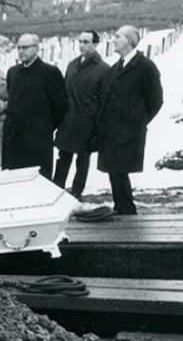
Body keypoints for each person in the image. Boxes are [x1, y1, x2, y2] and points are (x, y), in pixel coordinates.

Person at [96, 25, 163, 215]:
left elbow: (156, 100)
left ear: (130, 40)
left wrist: (138, 121)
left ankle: (127, 211)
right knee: (115, 172)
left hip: (128, 129)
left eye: (118, 37)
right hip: (112, 129)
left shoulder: (145, 66)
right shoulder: (117, 67)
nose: (113, 40)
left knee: (119, 171)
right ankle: (122, 208)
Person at [53, 31, 110, 200]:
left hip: (87, 124)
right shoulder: (72, 65)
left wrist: (97, 127)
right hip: (68, 120)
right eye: (80, 42)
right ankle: (56, 191)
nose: (82, 45)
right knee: (63, 158)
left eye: (86, 42)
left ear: (95, 44)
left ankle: (77, 194)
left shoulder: (103, 69)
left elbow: (104, 101)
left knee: (82, 160)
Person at [2, 34, 67, 179]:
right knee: (13, 180)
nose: (21, 51)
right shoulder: (12, 72)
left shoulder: (50, 72)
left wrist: (44, 126)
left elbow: (60, 107)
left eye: (25, 47)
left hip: (37, 139)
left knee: (37, 180)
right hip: (14, 138)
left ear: (36, 48)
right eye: (18, 48)